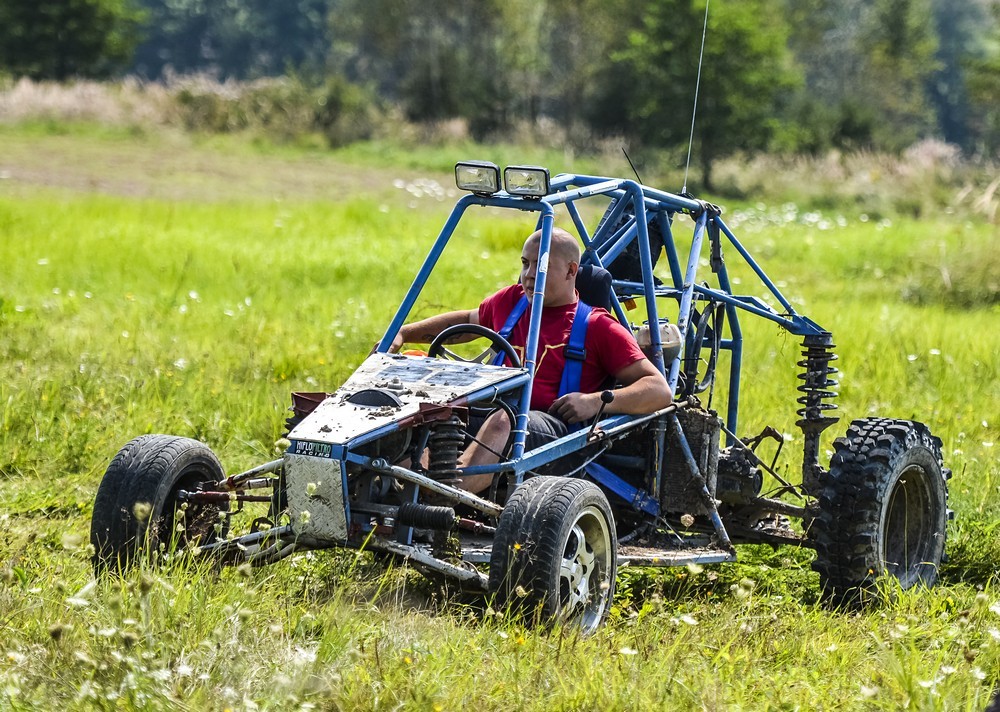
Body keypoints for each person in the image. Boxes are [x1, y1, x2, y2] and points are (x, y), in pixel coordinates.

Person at [388, 226, 672, 493]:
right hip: (492, 414)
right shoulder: (512, 302)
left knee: (506, 418)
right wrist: (403, 333)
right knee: (424, 405)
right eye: (525, 263)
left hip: (556, 434)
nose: (529, 274)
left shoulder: (599, 326)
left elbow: (659, 390)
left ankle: (451, 489)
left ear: (571, 271)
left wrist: (594, 401)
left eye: (541, 266)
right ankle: (401, 477)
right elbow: (467, 321)